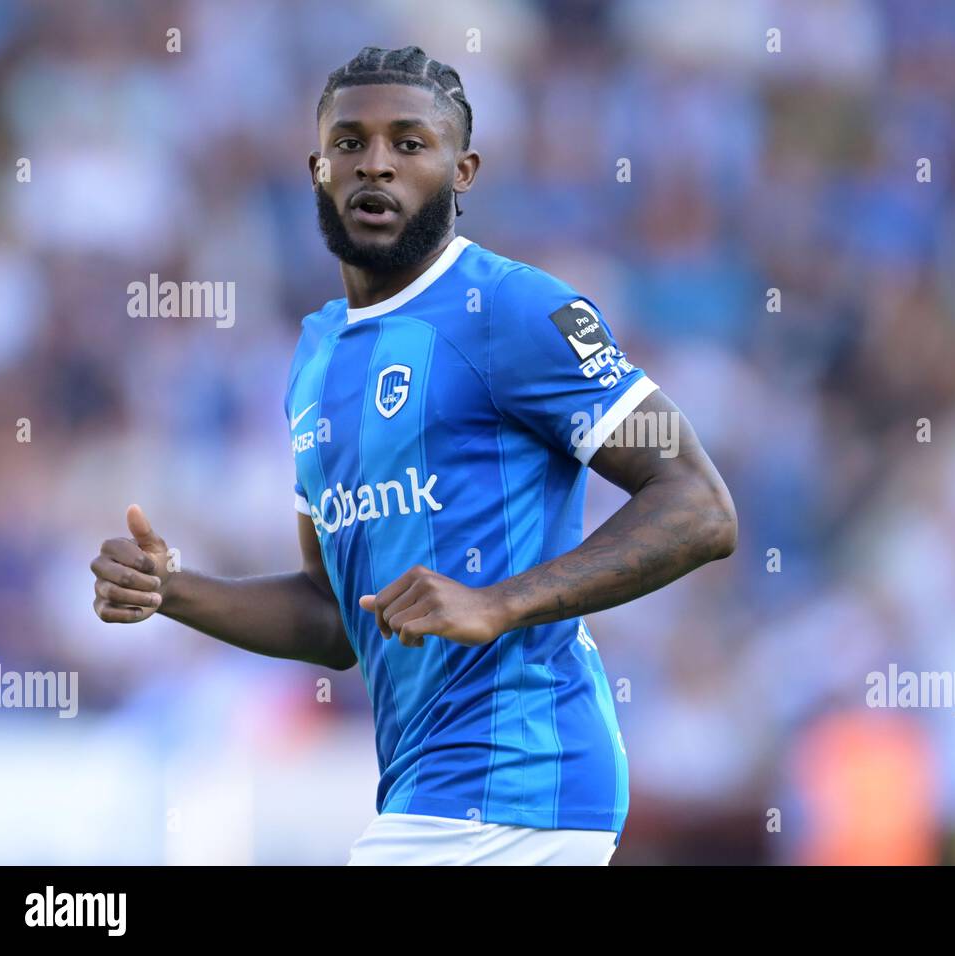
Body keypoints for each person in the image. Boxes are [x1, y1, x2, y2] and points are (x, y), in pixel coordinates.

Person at [88, 46, 737, 865]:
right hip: (433, 790)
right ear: (318, 167)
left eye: (409, 143)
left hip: (517, 782)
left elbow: (699, 505)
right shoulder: (316, 355)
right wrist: (174, 591)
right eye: (351, 143)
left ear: (462, 171)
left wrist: (497, 602)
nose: (377, 165)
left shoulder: (516, 309)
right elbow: (336, 619)